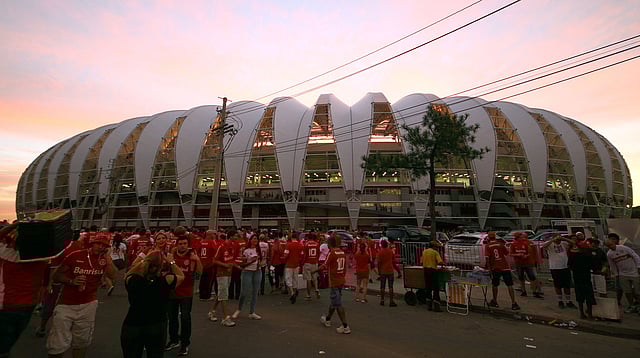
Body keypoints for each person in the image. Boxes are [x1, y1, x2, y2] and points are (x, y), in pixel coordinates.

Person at [46, 232, 116, 358]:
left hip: (88, 304)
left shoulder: (104, 260)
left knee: (81, 341)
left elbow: (114, 276)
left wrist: (108, 259)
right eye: (98, 243)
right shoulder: (75, 255)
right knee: (57, 342)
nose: (100, 247)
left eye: (103, 245)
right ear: (92, 243)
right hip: (66, 303)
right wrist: (71, 281)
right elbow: (56, 275)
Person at [120, 250, 184, 358]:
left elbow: (129, 273)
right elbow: (181, 275)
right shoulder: (166, 280)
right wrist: (171, 262)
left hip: (133, 324)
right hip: (156, 325)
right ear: (161, 266)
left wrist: (143, 261)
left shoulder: (133, 280)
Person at [0, 224, 49, 358]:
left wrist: (15, 224)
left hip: (6, 306)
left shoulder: (5, 254)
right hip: (28, 306)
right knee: (9, 342)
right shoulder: (42, 258)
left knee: (3, 345)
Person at [165, 234, 202, 356]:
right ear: (177, 245)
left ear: (188, 245)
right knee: (172, 317)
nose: (182, 246)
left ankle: (185, 343)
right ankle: (174, 340)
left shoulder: (192, 257)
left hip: (186, 292)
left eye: (185, 243)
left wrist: (197, 260)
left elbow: (199, 273)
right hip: (172, 292)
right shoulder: (172, 256)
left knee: (185, 318)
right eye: (180, 243)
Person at [317, 236, 351, 334]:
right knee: (334, 302)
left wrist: (314, 271)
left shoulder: (331, 253)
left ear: (330, 244)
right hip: (340, 280)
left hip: (334, 281)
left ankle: (345, 326)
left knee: (338, 304)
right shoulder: (342, 252)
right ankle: (327, 319)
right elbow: (344, 268)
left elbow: (324, 265)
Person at [208, 233, 240, 327]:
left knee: (221, 294)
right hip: (221, 274)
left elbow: (232, 260)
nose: (237, 239)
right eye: (235, 237)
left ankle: (212, 311)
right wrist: (225, 265)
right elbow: (214, 260)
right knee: (224, 295)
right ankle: (226, 317)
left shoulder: (232, 247)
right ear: (230, 237)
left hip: (229, 274)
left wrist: (237, 266)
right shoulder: (221, 247)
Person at [485, 232, 520, 310]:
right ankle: (514, 303)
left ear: (488, 238)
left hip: (495, 268)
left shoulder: (488, 246)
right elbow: (506, 253)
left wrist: (489, 268)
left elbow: (487, 258)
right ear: (495, 237)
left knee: (495, 285)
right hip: (505, 267)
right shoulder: (500, 244)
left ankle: (495, 301)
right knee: (509, 284)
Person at [232, 234, 263, 320]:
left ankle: (252, 312)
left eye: (256, 239)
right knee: (244, 292)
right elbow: (242, 264)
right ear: (250, 240)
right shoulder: (246, 250)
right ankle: (239, 309)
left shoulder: (258, 250)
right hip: (247, 272)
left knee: (255, 292)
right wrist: (251, 261)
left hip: (257, 271)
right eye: (254, 239)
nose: (255, 240)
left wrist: (260, 263)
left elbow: (261, 260)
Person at [605, 235, 640, 314]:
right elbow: (612, 265)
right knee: (627, 291)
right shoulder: (609, 254)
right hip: (623, 274)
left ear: (614, 243)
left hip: (633, 272)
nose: (611, 247)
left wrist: (638, 266)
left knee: (637, 291)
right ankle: (632, 305)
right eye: (609, 246)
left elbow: (635, 256)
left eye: (611, 245)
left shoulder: (623, 248)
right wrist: (616, 274)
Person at [542, 234, 576, 309]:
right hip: (555, 267)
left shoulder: (563, 243)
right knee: (558, 285)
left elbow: (573, 243)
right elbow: (544, 246)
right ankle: (560, 301)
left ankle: (568, 300)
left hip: (565, 266)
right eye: (557, 237)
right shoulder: (550, 244)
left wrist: (563, 238)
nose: (558, 239)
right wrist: (552, 240)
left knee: (567, 285)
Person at [569, 238, 596, 320]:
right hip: (586, 278)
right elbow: (593, 266)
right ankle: (590, 315)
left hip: (577, 278)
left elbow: (570, 266)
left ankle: (581, 314)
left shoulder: (573, 256)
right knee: (589, 296)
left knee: (580, 297)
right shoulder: (589, 256)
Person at [510, 232, 543, 299]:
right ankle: (523, 291)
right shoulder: (513, 244)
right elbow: (511, 253)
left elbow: (530, 252)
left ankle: (534, 291)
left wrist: (526, 256)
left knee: (532, 277)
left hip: (528, 263)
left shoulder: (526, 243)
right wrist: (517, 255)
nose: (522, 238)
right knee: (521, 277)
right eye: (520, 237)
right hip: (519, 263)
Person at [421, 241, 443, 312]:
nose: (437, 248)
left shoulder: (424, 252)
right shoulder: (435, 252)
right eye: (436, 246)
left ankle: (429, 306)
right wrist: (444, 264)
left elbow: (421, 262)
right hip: (433, 271)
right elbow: (440, 262)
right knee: (436, 288)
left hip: (425, 271)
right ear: (433, 246)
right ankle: (436, 306)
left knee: (428, 287)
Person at [375, 239, 397, 307]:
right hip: (390, 270)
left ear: (381, 245)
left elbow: (378, 263)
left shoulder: (380, 253)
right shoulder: (390, 252)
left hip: (383, 271)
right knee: (390, 286)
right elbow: (393, 260)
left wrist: (379, 271)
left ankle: (382, 300)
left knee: (382, 286)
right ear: (387, 245)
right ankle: (391, 301)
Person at [283, 232, 303, 304]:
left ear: (291, 238)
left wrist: (283, 258)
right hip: (296, 264)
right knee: (295, 278)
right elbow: (301, 255)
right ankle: (295, 290)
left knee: (288, 279)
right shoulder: (300, 245)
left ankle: (292, 293)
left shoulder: (289, 245)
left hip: (289, 264)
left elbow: (285, 255)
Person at [197, 230, 218, 301]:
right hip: (209, 264)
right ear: (210, 235)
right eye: (213, 234)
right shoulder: (211, 242)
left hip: (202, 263)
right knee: (209, 280)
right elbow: (216, 251)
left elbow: (198, 252)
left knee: (202, 280)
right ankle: (207, 295)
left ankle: (201, 294)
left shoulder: (201, 242)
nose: (214, 235)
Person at [302, 232, 320, 300]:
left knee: (308, 279)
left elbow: (304, 255)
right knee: (315, 278)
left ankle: (308, 295)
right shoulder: (317, 244)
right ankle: (316, 289)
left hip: (307, 262)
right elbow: (318, 253)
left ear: (307, 238)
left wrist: (303, 262)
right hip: (314, 262)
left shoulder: (306, 244)